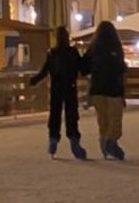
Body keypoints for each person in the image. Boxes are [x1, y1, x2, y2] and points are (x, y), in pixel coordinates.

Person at [30, 26, 87, 159]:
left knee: (55, 114)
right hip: (70, 87)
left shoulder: (52, 53)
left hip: (56, 88)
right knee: (71, 114)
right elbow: (82, 68)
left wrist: (35, 80)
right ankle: (74, 140)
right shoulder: (73, 52)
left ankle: (53, 138)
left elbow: (45, 70)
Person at [84, 20, 127, 160]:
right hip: (113, 88)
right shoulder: (116, 47)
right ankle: (110, 141)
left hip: (97, 89)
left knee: (103, 121)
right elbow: (121, 69)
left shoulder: (93, 48)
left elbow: (84, 66)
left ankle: (104, 145)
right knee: (115, 120)